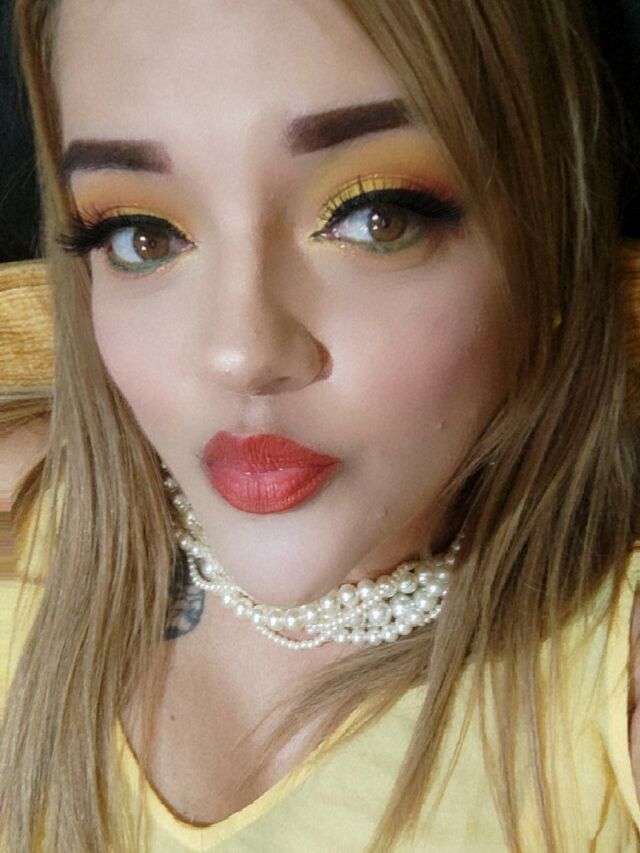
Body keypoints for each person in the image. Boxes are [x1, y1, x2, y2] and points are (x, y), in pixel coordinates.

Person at [1, 0, 640, 850]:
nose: (241, 354)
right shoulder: (24, 529)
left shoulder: (610, 681)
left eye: (377, 216)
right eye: (141, 234)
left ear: (547, 243)